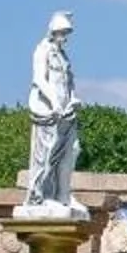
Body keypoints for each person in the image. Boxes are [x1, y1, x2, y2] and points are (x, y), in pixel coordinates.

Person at [18, 13, 85, 218]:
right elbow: (39, 79)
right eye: (63, 33)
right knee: (48, 154)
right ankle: (43, 195)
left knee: (72, 150)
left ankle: (63, 194)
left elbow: (68, 84)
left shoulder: (63, 56)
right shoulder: (42, 51)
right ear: (53, 32)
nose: (65, 37)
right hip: (49, 112)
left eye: (66, 33)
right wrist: (54, 102)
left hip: (66, 112)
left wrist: (73, 99)